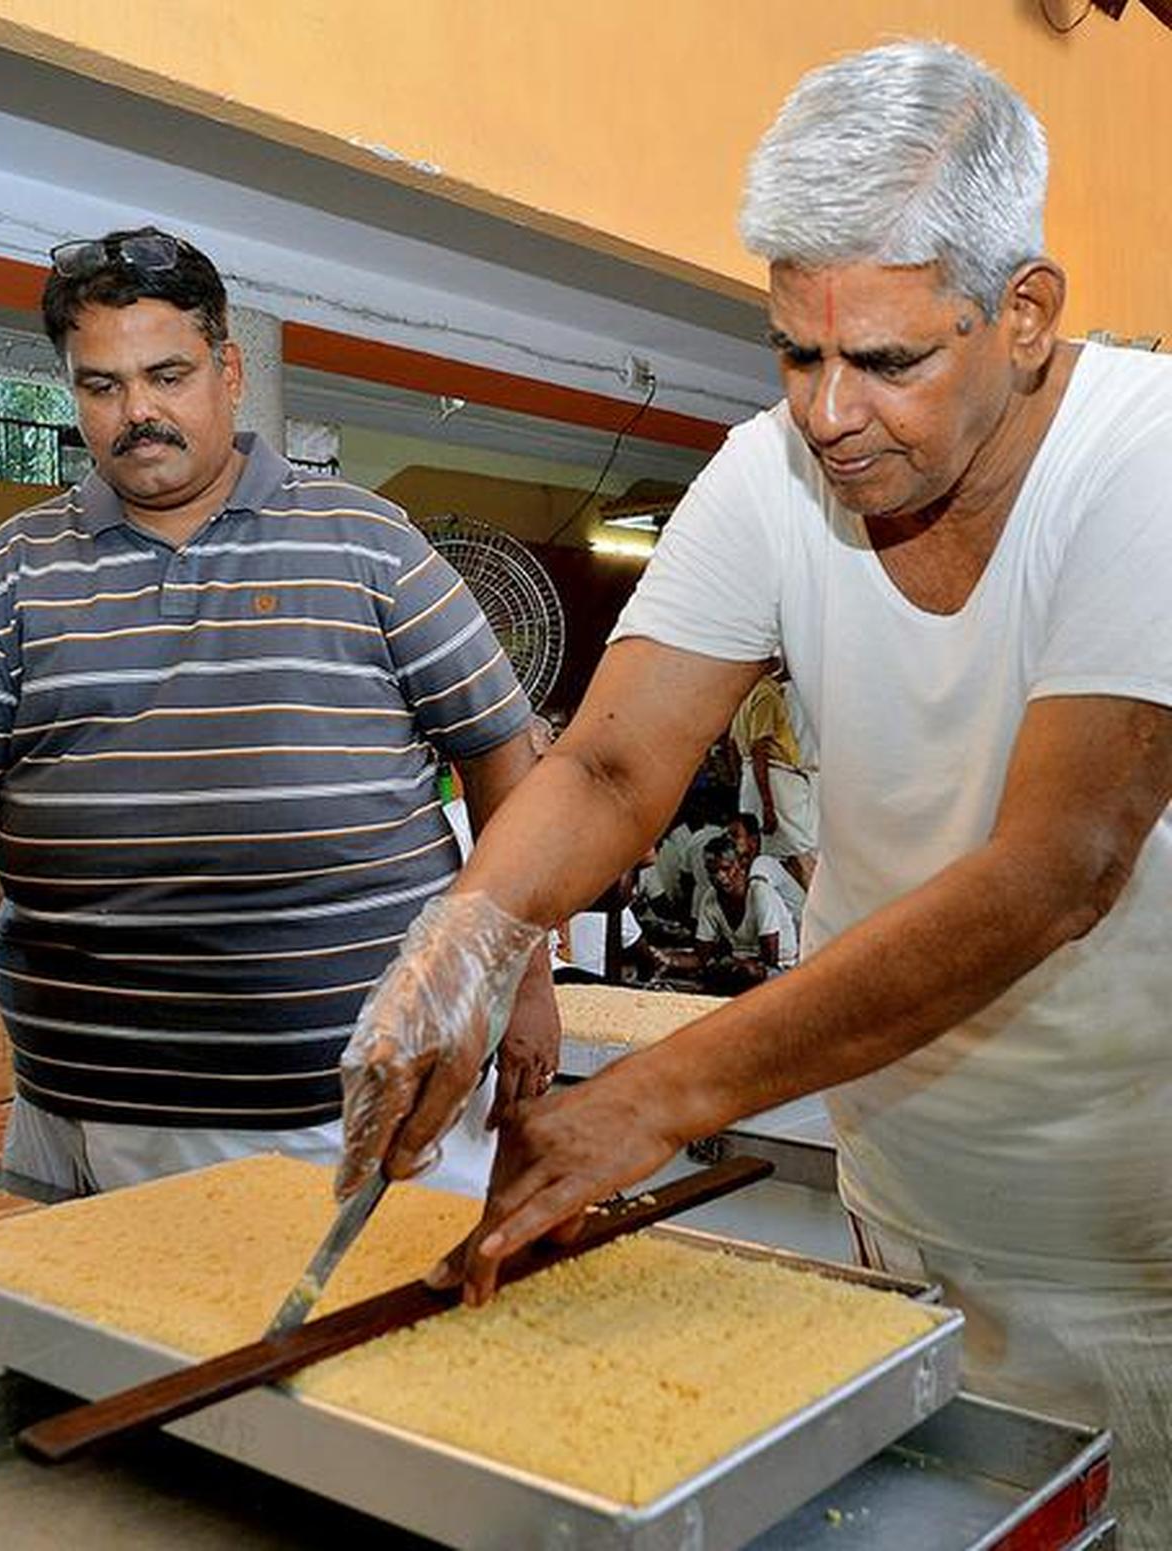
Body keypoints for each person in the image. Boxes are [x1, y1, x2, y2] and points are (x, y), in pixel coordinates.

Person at [337, 41, 1172, 1539]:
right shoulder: (769, 475)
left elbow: (1064, 862)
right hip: (906, 1196)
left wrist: (656, 1095)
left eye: (890, 360)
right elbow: (605, 763)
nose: (829, 412)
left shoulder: (1148, 458)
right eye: (797, 350)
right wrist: (463, 938)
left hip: (1144, 1244)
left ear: (1026, 315)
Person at [0, 226, 557, 1197]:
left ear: (230, 369)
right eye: (101, 385)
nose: (137, 413)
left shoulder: (368, 541)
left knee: (370, 1346)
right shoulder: (10, 573)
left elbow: (504, 758)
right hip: (86, 1110)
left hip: (357, 1104)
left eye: (167, 374)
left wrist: (520, 982)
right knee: (103, 1349)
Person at [729, 664, 817, 887]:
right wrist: (768, 804)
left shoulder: (746, 695)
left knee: (769, 854)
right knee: (800, 853)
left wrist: (742, 782)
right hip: (775, 781)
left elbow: (732, 746)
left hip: (754, 781)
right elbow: (760, 749)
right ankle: (816, 916)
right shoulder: (766, 694)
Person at [693, 833, 797, 990]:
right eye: (713, 871)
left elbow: (771, 959)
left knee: (747, 972)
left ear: (740, 865)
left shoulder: (759, 892)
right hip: (741, 965)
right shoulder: (710, 897)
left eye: (726, 869)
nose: (720, 877)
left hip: (781, 969)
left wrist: (731, 963)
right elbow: (703, 954)